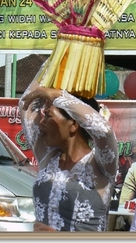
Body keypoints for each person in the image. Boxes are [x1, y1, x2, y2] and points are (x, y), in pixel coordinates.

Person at [18, 68, 118, 232]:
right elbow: (26, 103)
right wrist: (58, 58)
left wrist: (58, 96)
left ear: (73, 124)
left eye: (48, 115)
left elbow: (104, 131)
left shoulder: (100, 165)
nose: (42, 122)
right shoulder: (48, 156)